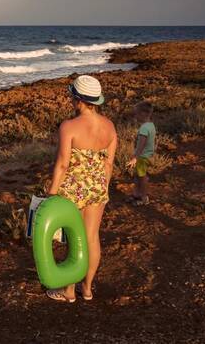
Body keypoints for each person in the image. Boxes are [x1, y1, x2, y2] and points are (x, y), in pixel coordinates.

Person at [45, 75, 117, 303]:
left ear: (78, 100)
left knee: (75, 239)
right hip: (98, 186)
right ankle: (86, 289)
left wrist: (51, 194)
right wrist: (102, 188)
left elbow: (63, 163)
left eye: (71, 96)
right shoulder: (109, 126)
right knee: (91, 237)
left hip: (73, 189)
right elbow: (108, 163)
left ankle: (68, 291)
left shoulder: (69, 126)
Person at [127, 101, 156, 206]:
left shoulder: (144, 128)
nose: (135, 116)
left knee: (142, 177)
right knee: (138, 175)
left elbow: (141, 144)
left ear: (143, 114)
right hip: (146, 156)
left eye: (137, 114)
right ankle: (136, 194)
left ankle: (144, 197)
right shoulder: (150, 125)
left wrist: (135, 157)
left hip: (142, 157)